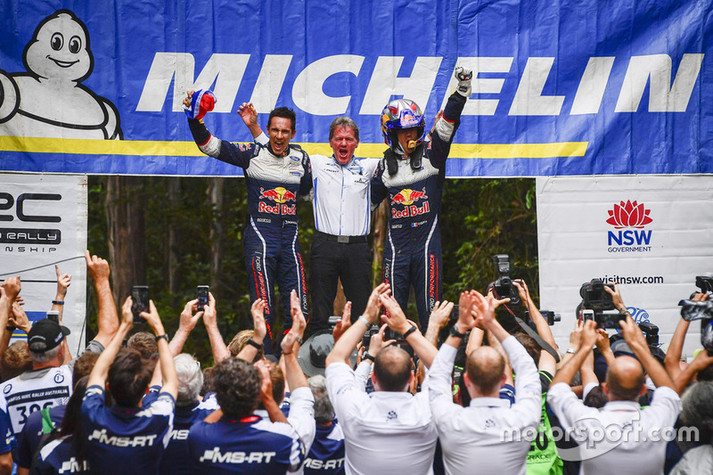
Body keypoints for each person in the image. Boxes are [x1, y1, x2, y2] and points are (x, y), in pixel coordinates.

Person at [184, 92, 311, 354]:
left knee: (300, 310)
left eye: (285, 132)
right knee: (263, 309)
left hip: (290, 242)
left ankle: (287, 362)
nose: (279, 136)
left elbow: (308, 194)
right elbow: (208, 146)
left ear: (293, 134)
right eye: (274, 130)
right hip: (260, 240)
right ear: (268, 130)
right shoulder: (251, 154)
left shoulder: (302, 159)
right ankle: (265, 362)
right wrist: (195, 118)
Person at [240, 111, 378, 333]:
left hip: (357, 247)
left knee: (362, 311)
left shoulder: (369, 167)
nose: (343, 143)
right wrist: (255, 128)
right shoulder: (315, 163)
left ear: (357, 143)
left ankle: (363, 352)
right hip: (325, 246)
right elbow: (278, 149)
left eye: (349, 139)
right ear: (330, 142)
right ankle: (317, 352)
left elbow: (402, 159)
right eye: (339, 139)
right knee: (319, 312)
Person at [371, 67, 473, 329]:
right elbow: (364, 203)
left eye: (415, 130)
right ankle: (390, 354)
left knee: (431, 315)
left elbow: (448, 123)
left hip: (427, 249)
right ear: (390, 133)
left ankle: (433, 354)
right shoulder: (382, 168)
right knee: (391, 316)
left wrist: (461, 91)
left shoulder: (432, 154)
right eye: (404, 131)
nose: (411, 136)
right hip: (396, 252)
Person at [324, 284, 439, 475]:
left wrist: (367, 317)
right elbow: (440, 367)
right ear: (412, 378)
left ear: (374, 377)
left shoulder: (355, 409)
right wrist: (406, 328)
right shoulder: (426, 410)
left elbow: (335, 358)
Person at [547, 317, 681, 474]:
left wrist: (584, 346)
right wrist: (637, 346)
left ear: (605, 388)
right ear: (643, 389)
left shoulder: (588, 422)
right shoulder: (656, 421)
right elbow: (669, 390)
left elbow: (556, 390)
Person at [427, 290, 541, 475]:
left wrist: (460, 327)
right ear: (504, 380)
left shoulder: (450, 420)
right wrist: (492, 323)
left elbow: (437, 374)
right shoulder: (522, 418)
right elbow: (526, 367)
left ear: (466, 380)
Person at [80, 297, 178, 474]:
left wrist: (124, 326)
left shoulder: (92, 414)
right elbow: (171, 382)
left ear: (108, 386)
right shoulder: (157, 419)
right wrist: (159, 330)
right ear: (145, 389)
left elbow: (98, 373)